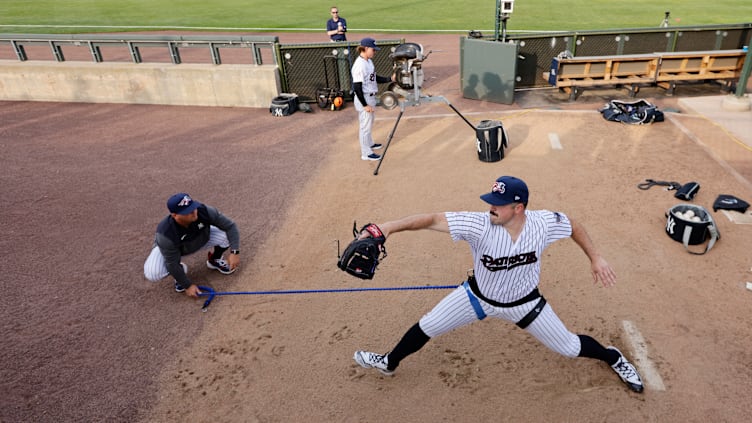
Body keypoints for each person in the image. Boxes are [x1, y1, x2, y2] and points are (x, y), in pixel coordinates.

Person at [353, 176, 645, 393]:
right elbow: (431, 219)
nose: (490, 206)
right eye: (490, 200)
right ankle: (389, 362)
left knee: (569, 346)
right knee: (428, 325)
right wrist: (386, 228)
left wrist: (596, 258)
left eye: (498, 204)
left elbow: (573, 225)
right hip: (477, 298)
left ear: (518, 208)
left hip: (526, 304)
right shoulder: (479, 224)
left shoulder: (543, 224)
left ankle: (613, 357)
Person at [144, 193, 240, 298]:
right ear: (174, 215)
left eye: (193, 207)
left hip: (201, 239)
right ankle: (180, 273)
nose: (194, 212)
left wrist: (234, 252)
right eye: (187, 212)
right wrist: (187, 285)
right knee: (152, 273)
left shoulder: (204, 211)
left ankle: (214, 259)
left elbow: (230, 226)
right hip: (175, 251)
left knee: (226, 235)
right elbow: (171, 263)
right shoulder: (166, 234)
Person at [351, 37, 393, 161]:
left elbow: (374, 78)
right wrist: (365, 105)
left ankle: (370, 144)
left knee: (369, 123)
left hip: (370, 97)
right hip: (364, 98)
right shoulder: (359, 65)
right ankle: (366, 153)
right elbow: (357, 87)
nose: (375, 52)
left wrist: (390, 79)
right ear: (366, 48)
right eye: (373, 50)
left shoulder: (368, 62)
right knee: (365, 126)